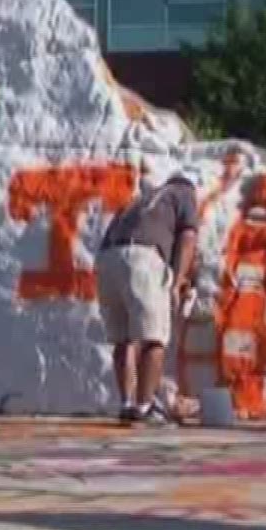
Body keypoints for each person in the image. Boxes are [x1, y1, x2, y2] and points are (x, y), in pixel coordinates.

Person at [95, 163, 197, 427]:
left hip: (107, 259)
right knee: (154, 337)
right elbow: (188, 239)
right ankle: (146, 406)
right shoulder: (184, 193)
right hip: (143, 257)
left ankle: (127, 404)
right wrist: (178, 282)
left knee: (124, 339)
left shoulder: (141, 200)